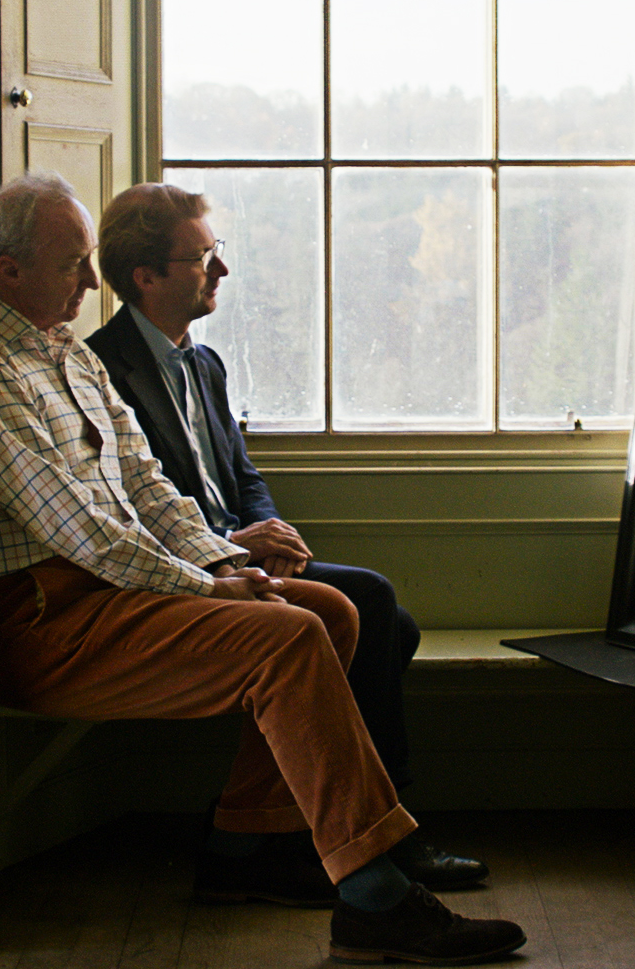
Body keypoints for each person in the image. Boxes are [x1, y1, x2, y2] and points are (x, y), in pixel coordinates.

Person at [0, 170, 523, 965]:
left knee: (331, 611)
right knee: (289, 634)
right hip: (37, 620)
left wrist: (226, 559)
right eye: (73, 264)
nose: (90, 282)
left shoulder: (64, 353)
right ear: (9, 271)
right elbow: (74, 526)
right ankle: (375, 895)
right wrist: (210, 583)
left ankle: (239, 846)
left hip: (104, 595)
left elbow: (147, 488)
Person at [84, 182, 486, 892]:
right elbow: (129, 512)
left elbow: (244, 476)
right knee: (373, 601)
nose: (222, 269)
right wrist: (236, 545)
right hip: (189, 575)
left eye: (216, 251)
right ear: (145, 276)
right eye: (202, 257)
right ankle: (378, 836)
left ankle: (313, 832)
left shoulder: (204, 364)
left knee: (392, 625)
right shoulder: (99, 372)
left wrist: (274, 534)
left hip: (241, 555)